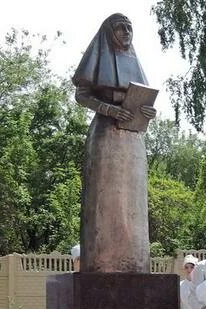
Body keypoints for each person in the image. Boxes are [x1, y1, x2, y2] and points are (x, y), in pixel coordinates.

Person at [72, 13, 156, 273]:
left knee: (133, 200)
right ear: (109, 32)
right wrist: (109, 109)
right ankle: (103, 263)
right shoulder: (99, 58)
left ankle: (135, 263)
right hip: (106, 133)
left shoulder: (134, 61)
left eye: (130, 27)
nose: (126, 31)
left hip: (133, 138)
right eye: (120, 27)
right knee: (105, 198)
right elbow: (81, 95)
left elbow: (141, 95)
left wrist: (148, 112)